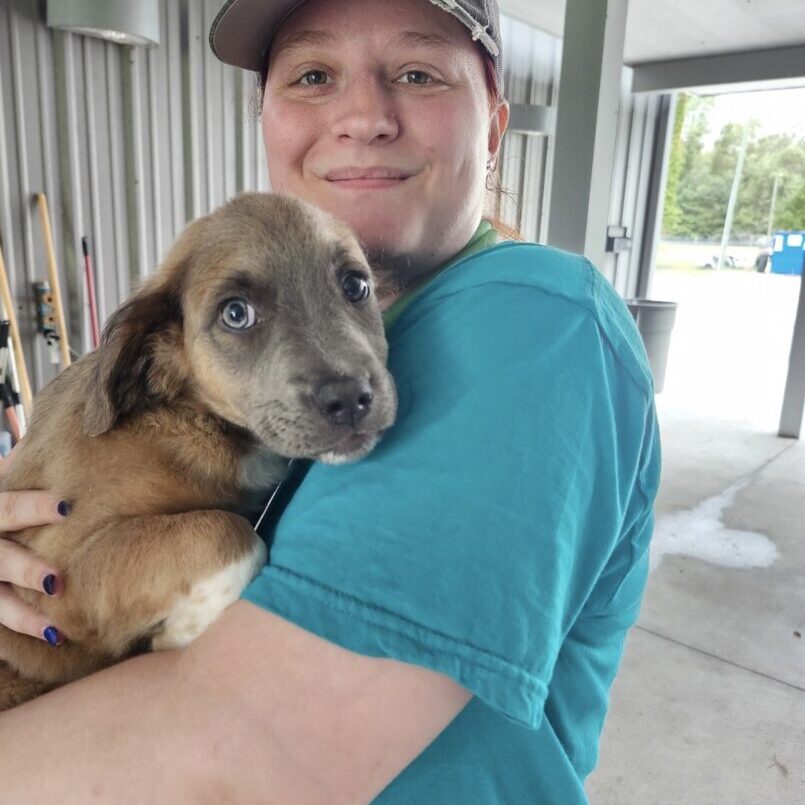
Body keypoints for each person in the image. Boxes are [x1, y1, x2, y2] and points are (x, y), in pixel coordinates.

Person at [0, 0, 661, 801]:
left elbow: (246, 749)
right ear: (267, 122)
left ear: (492, 126)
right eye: (313, 75)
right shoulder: (221, 367)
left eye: (416, 73)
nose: (361, 116)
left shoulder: (534, 317)